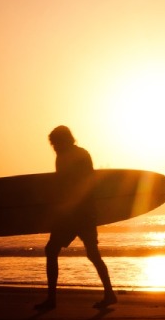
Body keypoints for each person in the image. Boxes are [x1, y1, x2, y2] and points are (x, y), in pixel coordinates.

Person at [35, 126, 117, 310]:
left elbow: (78, 183)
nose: (54, 146)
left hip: (77, 213)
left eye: (56, 142)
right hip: (82, 213)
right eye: (52, 144)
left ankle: (52, 300)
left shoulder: (76, 155)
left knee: (54, 250)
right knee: (90, 254)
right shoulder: (70, 155)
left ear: (65, 140)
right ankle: (109, 294)